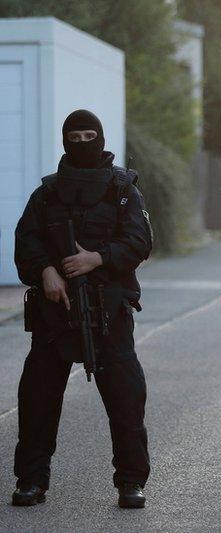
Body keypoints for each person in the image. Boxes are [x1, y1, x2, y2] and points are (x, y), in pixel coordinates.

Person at [11, 110, 153, 509]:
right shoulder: (47, 194)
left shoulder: (124, 190)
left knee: (127, 400)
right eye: (75, 136)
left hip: (108, 310)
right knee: (37, 400)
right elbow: (26, 243)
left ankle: (130, 482)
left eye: (90, 134)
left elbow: (140, 242)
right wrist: (46, 272)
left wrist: (97, 258)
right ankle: (31, 481)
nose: (83, 142)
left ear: (102, 137)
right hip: (55, 312)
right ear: (64, 140)